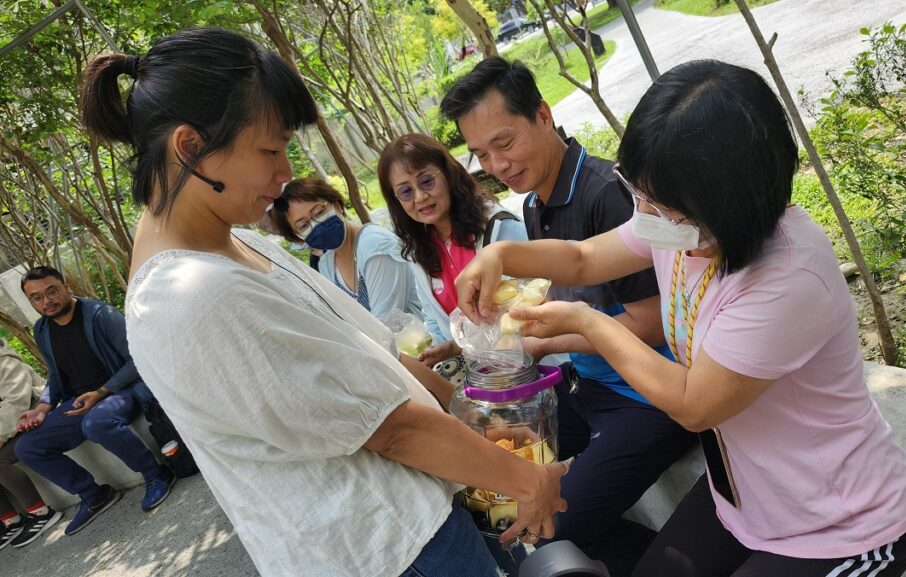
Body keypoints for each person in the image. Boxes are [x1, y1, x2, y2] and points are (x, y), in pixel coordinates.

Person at [79, 27, 565, 577]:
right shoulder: (191, 298)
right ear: (190, 149)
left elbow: (377, 355)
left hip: (421, 515)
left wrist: (475, 421)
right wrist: (527, 479)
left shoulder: (241, 245)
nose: (285, 172)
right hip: (391, 550)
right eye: (270, 149)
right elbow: (386, 428)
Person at [456, 60, 906, 577]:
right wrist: (499, 259)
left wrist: (591, 323)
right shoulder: (679, 227)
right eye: (642, 196)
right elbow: (583, 258)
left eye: (663, 206)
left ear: (728, 199)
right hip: (746, 495)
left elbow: (693, 405)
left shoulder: (786, 278)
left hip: (841, 524)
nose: (647, 216)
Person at [442, 56, 698, 575]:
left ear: (542, 113)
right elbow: (573, 284)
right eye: (481, 155)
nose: (497, 165)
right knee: (494, 479)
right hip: (591, 386)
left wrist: (540, 341)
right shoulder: (536, 199)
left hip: (647, 398)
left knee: (548, 521)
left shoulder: (607, 194)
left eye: (505, 142)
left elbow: (650, 324)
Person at [16, 267, 174, 536]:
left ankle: (157, 474)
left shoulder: (100, 315)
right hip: (79, 401)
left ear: (66, 286)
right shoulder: (43, 329)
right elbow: (56, 374)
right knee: (28, 447)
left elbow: (136, 358)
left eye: (51, 291)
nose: (46, 301)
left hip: (120, 391)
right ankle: (94, 494)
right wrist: (43, 407)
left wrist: (101, 392)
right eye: (36, 298)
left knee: (97, 423)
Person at [378, 133, 528, 370]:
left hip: (532, 364)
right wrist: (442, 347)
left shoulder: (499, 226)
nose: (420, 197)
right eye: (405, 192)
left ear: (448, 174)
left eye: (426, 181)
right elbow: (434, 317)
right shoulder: (418, 250)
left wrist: (459, 347)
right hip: (484, 377)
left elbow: (531, 301)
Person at [267, 176, 424, 321]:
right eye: (303, 225)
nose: (315, 224)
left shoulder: (374, 245)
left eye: (319, 212)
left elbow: (388, 320)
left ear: (337, 205)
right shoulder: (326, 265)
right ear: (298, 237)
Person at [0, 338, 62, 550]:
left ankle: (41, 513)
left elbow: (16, 404)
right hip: (10, 427)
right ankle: (10, 520)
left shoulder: (5, 362)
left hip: (33, 415)